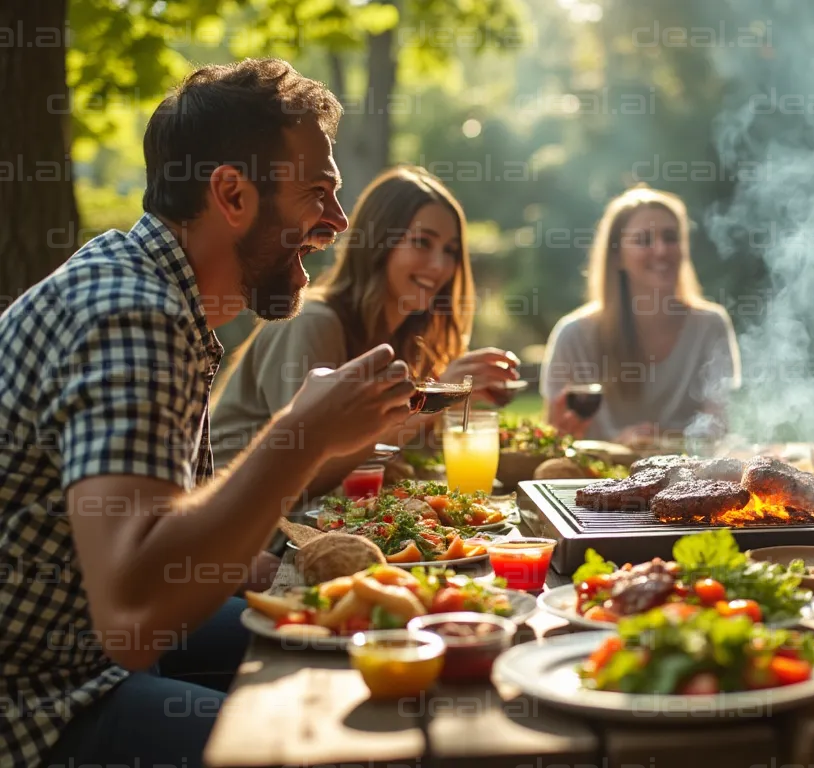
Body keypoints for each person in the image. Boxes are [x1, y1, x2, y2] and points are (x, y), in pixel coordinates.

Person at [0, 59, 418, 768]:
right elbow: (133, 616)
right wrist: (302, 435)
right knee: (311, 743)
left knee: (351, 648)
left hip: (84, 650)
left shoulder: (156, 290)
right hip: (40, 702)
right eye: (317, 193)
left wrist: (239, 558)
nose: (339, 222)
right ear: (231, 193)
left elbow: (152, 536)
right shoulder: (131, 313)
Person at [210, 164, 520, 493]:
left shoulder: (407, 340)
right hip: (247, 529)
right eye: (421, 243)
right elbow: (307, 472)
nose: (439, 265)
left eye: (450, 251)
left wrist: (446, 406)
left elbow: (399, 461)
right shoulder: (312, 323)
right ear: (377, 244)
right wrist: (433, 401)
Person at [541, 185, 741, 444]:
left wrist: (661, 446)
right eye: (643, 240)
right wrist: (617, 445)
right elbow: (555, 438)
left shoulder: (711, 326)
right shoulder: (573, 336)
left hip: (689, 480)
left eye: (670, 237)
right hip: (597, 480)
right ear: (617, 257)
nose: (661, 250)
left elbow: (717, 427)